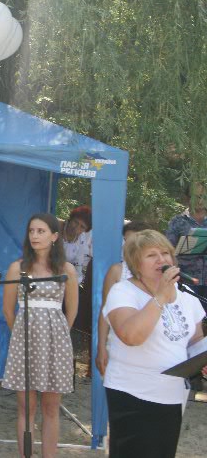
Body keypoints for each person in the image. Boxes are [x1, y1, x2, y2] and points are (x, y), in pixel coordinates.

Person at [102, 229, 206, 457]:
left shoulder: (186, 293)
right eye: (151, 255)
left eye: (165, 253)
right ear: (136, 264)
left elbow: (196, 339)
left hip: (172, 395)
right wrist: (160, 297)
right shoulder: (123, 291)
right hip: (132, 394)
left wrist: (203, 358)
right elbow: (131, 336)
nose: (161, 259)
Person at [1, 213, 78, 458]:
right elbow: (8, 310)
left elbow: (72, 309)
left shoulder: (66, 270)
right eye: (32, 231)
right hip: (25, 343)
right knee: (26, 407)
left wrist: (59, 336)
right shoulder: (18, 268)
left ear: (54, 236)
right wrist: (21, 335)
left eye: (41, 231)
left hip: (55, 344)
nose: (34, 235)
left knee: (51, 407)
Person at [95, 221, 153, 376]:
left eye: (133, 241)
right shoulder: (117, 271)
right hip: (120, 344)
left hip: (152, 346)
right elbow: (105, 312)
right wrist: (101, 347)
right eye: (126, 241)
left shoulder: (159, 272)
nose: (127, 246)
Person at [165, 181, 207, 308]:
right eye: (196, 197)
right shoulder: (177, 222)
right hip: (187, 282)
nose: (200, 200)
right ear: (187, 198)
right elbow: (167, 251)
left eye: (203, 196)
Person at [62, 206, 92, 285]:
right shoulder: (57, 229)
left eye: (82, 227)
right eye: (75, 222)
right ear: (70, 219)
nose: (76, 228)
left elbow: (78, 264)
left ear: (85, 230)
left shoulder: (81, 238)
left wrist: (75, 282)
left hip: (66, 278)